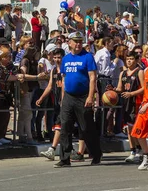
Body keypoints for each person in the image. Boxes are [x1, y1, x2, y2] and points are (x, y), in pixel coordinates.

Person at [55, 32, 102, 167]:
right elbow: (64, 79)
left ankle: (96, 154)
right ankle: (65, 158)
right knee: (65, 127)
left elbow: (93, 78)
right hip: (69, 97)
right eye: (75, 41)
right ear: (69, 43)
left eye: (80, 41)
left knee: (86, 128)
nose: (78, 44)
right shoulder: (66, 59)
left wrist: (90, 96)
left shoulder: (87, 57)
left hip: (83, 97)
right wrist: (63, 98)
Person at [37, 48, 66, 160]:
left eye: (59, 57)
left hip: (67, 102)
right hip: (57, 102)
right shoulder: (54, 71)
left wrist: (64, 101)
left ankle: (53, 149)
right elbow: (49, 86)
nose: (57, 60)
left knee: (62, 125)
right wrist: (41, 98)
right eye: (55, 57)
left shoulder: (66, 70)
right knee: (60, 125)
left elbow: (65, 86)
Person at [116, 51, 144, 163]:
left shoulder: (140, 72)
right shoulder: (122, 73)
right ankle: (133, 150)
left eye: (131, 59)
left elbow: (144, 89)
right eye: (127, 59)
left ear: (136, 60)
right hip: (126, 102)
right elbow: (119, 88)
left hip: (136, 102)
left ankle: (140, 150)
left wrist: (132, 94)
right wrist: (112, 90)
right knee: (129, 128)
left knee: (135, 128)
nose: (129, 61)